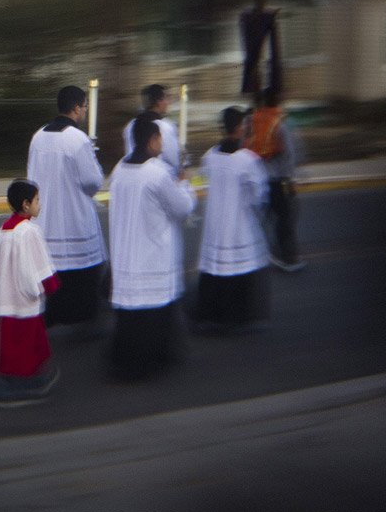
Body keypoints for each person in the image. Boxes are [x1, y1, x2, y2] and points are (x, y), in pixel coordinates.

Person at [106, 115, 197, 380]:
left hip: (126, 252)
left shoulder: (120, 169)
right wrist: (184, 183)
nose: (162, 143)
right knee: (152, 312)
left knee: (130, 314)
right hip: (151, 253)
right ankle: (149, 362)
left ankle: (125, 360)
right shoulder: (157, 173)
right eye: (159, 138)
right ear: (151, 141)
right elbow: (182, 207)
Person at [26, 85, 107, 330]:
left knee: (52, 270)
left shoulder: (38, 136)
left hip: (46, 216)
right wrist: (92, 156)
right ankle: (80, 318)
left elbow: (31, 175)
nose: (84, 111)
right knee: (82, 271)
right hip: (72, 215)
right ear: (76, 108)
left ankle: (52, 315)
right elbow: (93, 182)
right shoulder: (77, 139)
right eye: (84, 107)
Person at [193, 107, 271, 333]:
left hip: (215, 225)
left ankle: (209, 314)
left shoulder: (210, 156)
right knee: (239, 268)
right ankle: (235, 318)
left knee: (215, 268)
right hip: (238, 224)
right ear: (239, 127)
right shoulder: (247, 160)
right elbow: (259, 193)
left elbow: (206, 176)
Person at [0, 179, 61, 407]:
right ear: (26, 205)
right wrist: (51, 286)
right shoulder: (29, 231)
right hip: (25, 298)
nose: (40, 205)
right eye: (37, 200)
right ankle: (19, 384)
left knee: (11, 342)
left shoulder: (4, 230)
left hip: (6, 298)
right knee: (25, 344)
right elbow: (40, 265)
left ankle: (21, 378)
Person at [246, 88, 305, 272]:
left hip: (256, 177)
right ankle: (288, 259)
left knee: (256, 217)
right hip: (274, 179)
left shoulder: (252, 120)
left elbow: (244, 146)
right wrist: (291, 181)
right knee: (284, 218)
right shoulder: (280, 123)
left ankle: (251, 253)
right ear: (277, 101)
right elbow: (288, 155)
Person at [122, 84, 180, 176]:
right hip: (159, 177)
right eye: (166, 98)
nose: (167, 102)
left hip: (134, 174)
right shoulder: (165, 126)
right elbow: (173, 160)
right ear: (158, 101)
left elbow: (128, 154)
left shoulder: (130, 125)